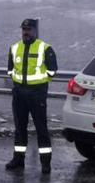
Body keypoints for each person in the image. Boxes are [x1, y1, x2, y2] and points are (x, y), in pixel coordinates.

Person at [5, 19, 58, 174]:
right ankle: (18, 159)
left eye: (28, 29)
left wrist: (40, 85)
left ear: (35, 31)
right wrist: (19, 84)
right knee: (19, 129)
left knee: (41, 129)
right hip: (19, 94)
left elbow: (53, 70)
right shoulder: (14, 48)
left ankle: (45, 163)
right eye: (23, 29)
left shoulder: (45, 48)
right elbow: (10, 70)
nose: (25, 32)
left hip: (37, 95)